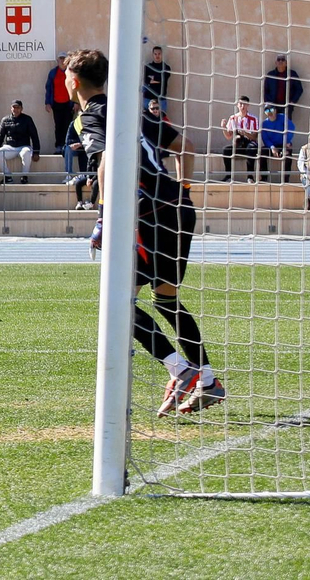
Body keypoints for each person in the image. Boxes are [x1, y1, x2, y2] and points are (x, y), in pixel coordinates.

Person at [73, 47, 222, 416]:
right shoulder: (129, 109)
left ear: (72, 82)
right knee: (165, 299)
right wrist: (183, 191)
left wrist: (104, 219)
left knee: (118, 301)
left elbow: (107, 158)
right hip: (178, 208)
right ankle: (207, 380)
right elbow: (184, 146)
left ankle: (180, 369)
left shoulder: (89, 117)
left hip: (147, 215)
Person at [0, 99, 41, 182]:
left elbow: (34, 135)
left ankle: (24, 176)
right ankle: (7, 176)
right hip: (10, 147)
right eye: (14, 107)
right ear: (11, 108)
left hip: (24, 146)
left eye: (18, 107)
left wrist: (36, 151)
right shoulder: (5, 120)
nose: (16, 109)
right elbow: (0, 136)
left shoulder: (27, 119)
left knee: (26, 153)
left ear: (21, 109)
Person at [44, 52, 77, 170]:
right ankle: (58, 146)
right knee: (58, 125)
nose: (62, 61)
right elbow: (48, 88)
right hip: (57, 103)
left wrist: (76, 102)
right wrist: (47, 103)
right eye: (60, 59)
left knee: (68, 125)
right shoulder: (53, 73)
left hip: (68, 104)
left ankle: (67, 145)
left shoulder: (71, 72)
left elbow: (76, 87)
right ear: (57, 61)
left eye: (64, 59)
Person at [220, 96, 260, 182]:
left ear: (248, 105)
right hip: (238, 144)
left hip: (249, 142)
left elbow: (255, 136)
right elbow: (228, 136)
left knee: (252, 148)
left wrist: (245, 133)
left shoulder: (254, 119)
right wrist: (223, 127)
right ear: (237, 105)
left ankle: (250, 177)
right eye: (241, 104)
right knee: (226, 150)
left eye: (245, 104)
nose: (242, 106)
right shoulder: (233, 118)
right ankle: (228, 176)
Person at [259, 105, 296, 182]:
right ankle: (264, 178)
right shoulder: (264, 124)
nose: (270, 112)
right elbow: (265, 138)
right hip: (271, 146)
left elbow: (291, 128)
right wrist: (272, 147)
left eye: (271, 109)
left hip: (284, 144)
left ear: (275, 110)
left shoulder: (282, 117)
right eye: (267, 111)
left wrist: (286, 141)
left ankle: (286, 179)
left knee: (288, 155)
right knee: (262, 152)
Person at [262, 55, 305, 120]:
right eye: (278, 60)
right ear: (276, 63)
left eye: (283, 60)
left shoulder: (292, 74)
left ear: (286, 63)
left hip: (287, 107)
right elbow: (266, 91)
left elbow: (299, 89)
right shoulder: (270, 75)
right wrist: (268, 105)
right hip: (273, 107)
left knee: (286, 126)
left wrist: (292, 102)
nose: (280, 61)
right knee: (273, 126)